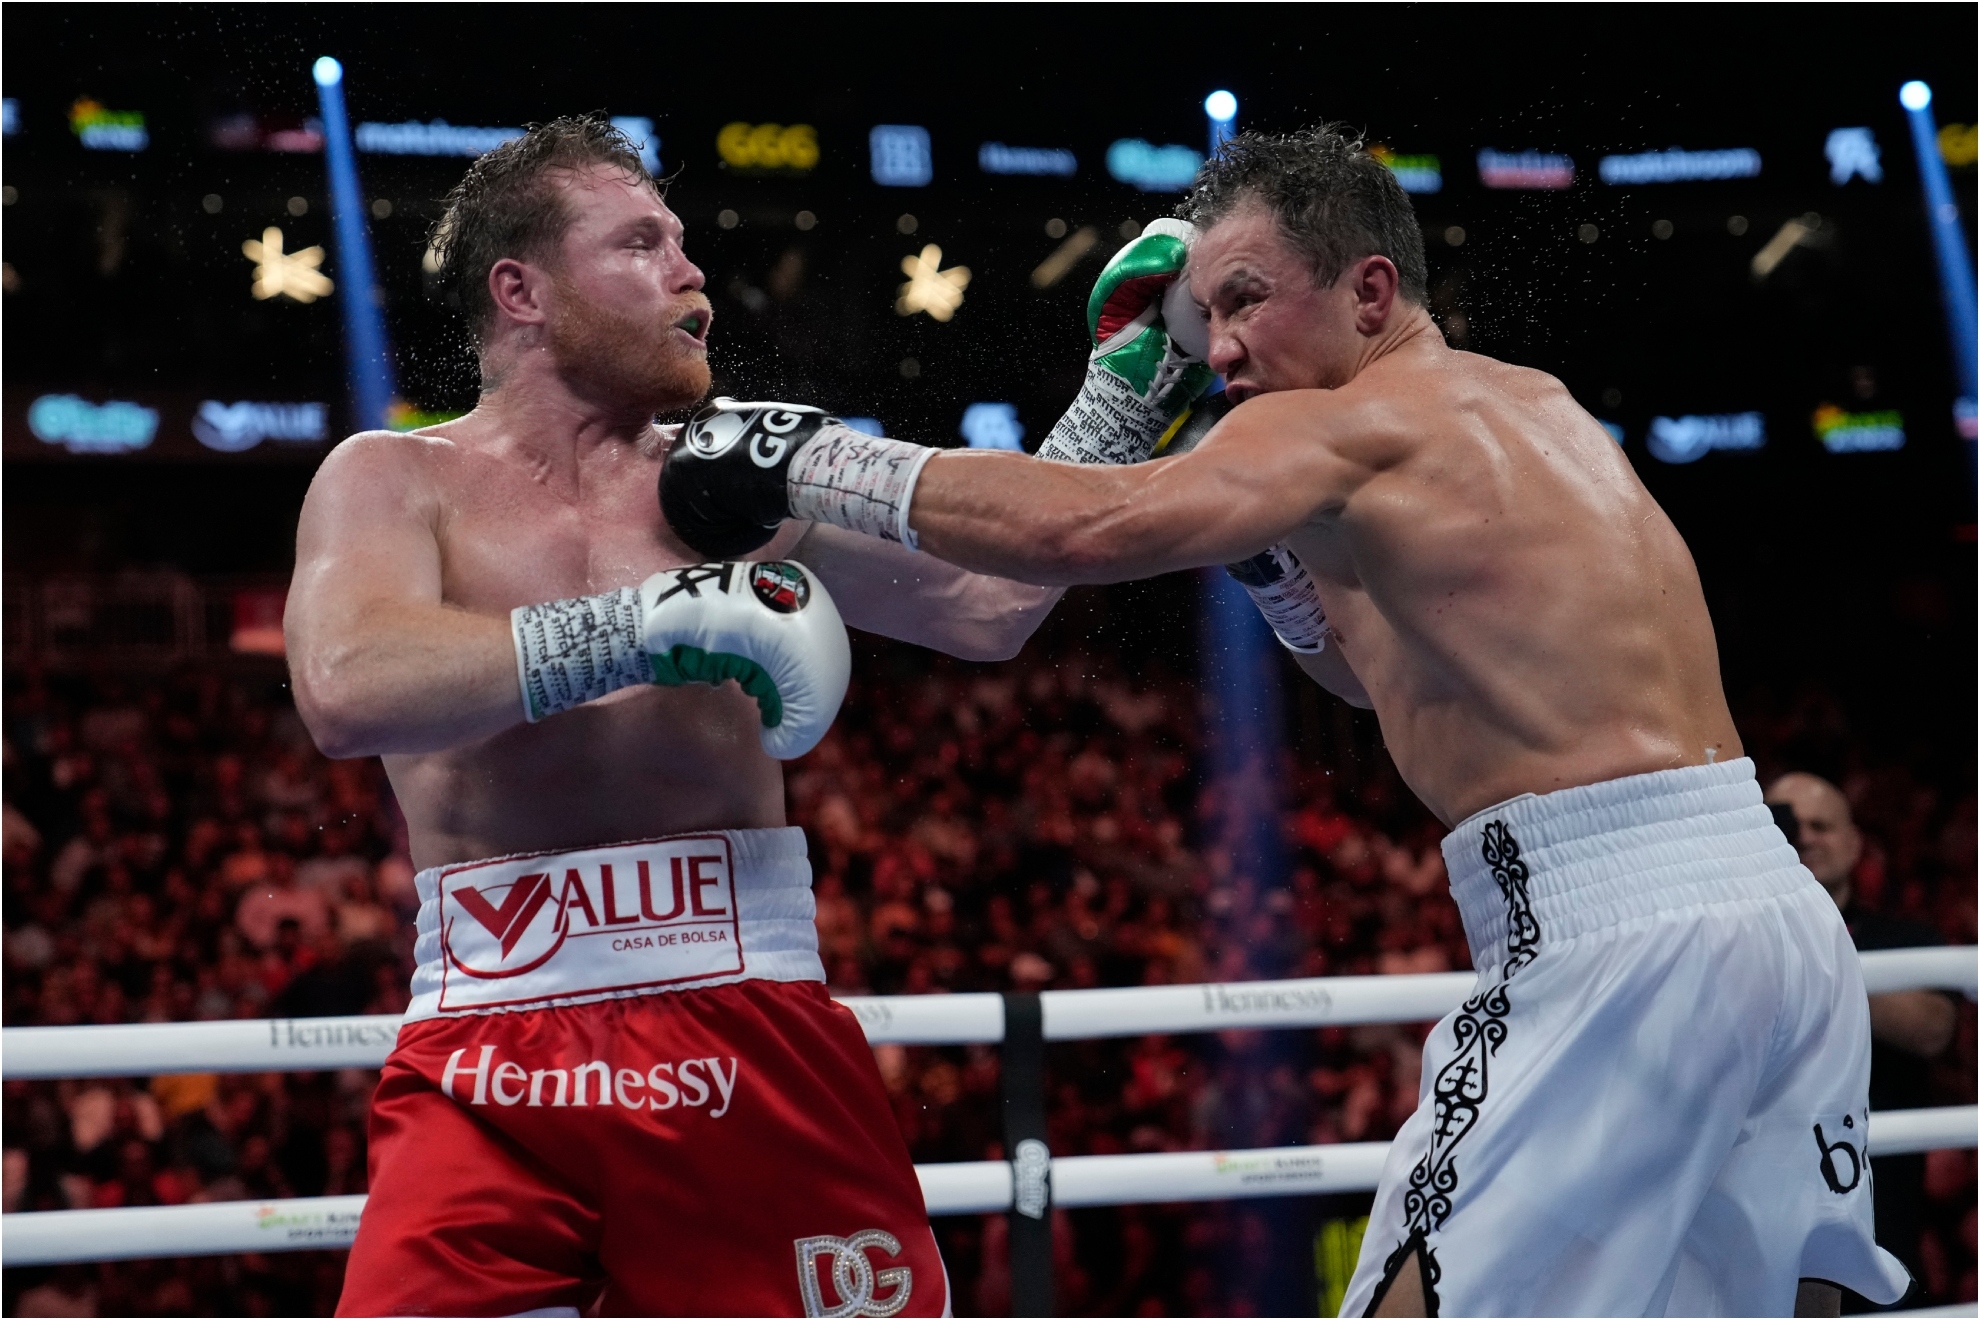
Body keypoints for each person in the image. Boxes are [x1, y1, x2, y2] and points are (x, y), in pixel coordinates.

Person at [660, 125, 1912, 1316]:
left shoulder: (1348, 420)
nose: (1218, 349)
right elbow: (1380, 681)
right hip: (1778, 926)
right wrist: (1275, 577)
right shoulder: (1528, 406)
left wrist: (807, 459)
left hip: (1615, 933)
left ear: (1371, 290)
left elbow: (1081, 530)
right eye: (1210, 316)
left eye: (1246, 299)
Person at [286, 115, 1063, 1317]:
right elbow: (346, 685)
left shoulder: (744, 479)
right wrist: (648, 623)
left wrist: (1129, 383)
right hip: (489, 1047)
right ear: (522, 290)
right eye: (642, 241)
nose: (690, 269)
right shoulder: (394, 479)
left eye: (684, 243)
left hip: (747, 1012)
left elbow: (994, 604)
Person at [1767, 771, 1959, 1306]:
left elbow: (1932, 1030)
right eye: (1786, 824)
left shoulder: (1906, 938)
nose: (1803, 836)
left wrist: (1811, 967)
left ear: (1854, 845)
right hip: (1765, 1217)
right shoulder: (1731, 945)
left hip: (1882, 1221)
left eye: (1820, 825)